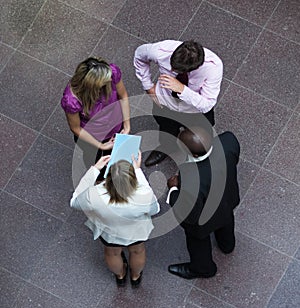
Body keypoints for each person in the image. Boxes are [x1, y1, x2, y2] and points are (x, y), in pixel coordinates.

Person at [70, 152, 160, 287]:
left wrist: (95, 169)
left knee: (112, 253)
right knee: (137, 251)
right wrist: (138, 171)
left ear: (109, 177)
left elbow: (74, 202)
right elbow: (155, 209)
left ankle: (120, 276)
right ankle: (135, 277)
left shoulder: (94, 195)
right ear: (132, 179)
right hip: (136, 232)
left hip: (110, 233)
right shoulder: (143, 195)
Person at [134, 40, 223, 166]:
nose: (170, 69)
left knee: (201, 136)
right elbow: (139, 55)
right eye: (171, 65)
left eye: (175, 70)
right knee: (166, 129)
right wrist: (148, 86)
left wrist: (182, 89)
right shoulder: (160, 50)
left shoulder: (213, 68)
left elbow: (207, 104)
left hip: (194, 111)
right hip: (165, 103)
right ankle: (167, 147)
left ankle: (201, 158)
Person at [166, 127, 240, 279]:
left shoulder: (189, 178)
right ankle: (227, 245)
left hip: (203, 221)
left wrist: (173, 189)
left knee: (197, 241)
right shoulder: (228, 141)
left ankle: (203, 268)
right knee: (226, 222)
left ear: (192, 153)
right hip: (227, 202)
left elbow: (188, 213)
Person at [61, 57, 130, 177]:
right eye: (105, 81)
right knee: (95, 159)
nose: (110, 80)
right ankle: (100, 180)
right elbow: (76, 128)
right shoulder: (72, 100)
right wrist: (100, 145)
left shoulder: (111, 73)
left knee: (117, 154)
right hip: (92, 136)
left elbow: (123, 95)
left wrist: (127, 125)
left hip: (115, 126)